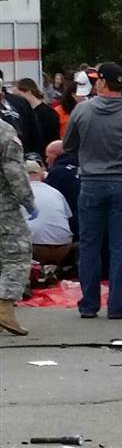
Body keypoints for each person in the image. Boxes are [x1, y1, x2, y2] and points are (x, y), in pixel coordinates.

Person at [64, 62, 122, 320]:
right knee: (120, 246)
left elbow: (69, 144)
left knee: (90, 245)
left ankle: (89, 304)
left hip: (91, 181)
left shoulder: (82, 111)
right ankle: (117, 306)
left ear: (102, 82)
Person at [0, 116, 32, 335]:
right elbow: (15, 173)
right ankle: (4, 306)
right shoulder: (4, 132)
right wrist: (28, 201)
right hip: (3, 206)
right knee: (16, 255)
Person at [26, 158, 74, 267]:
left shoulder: (18, 193)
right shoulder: (55, 192)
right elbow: (68, 216)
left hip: (34, 248)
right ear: (42, 174)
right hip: (63, 247)